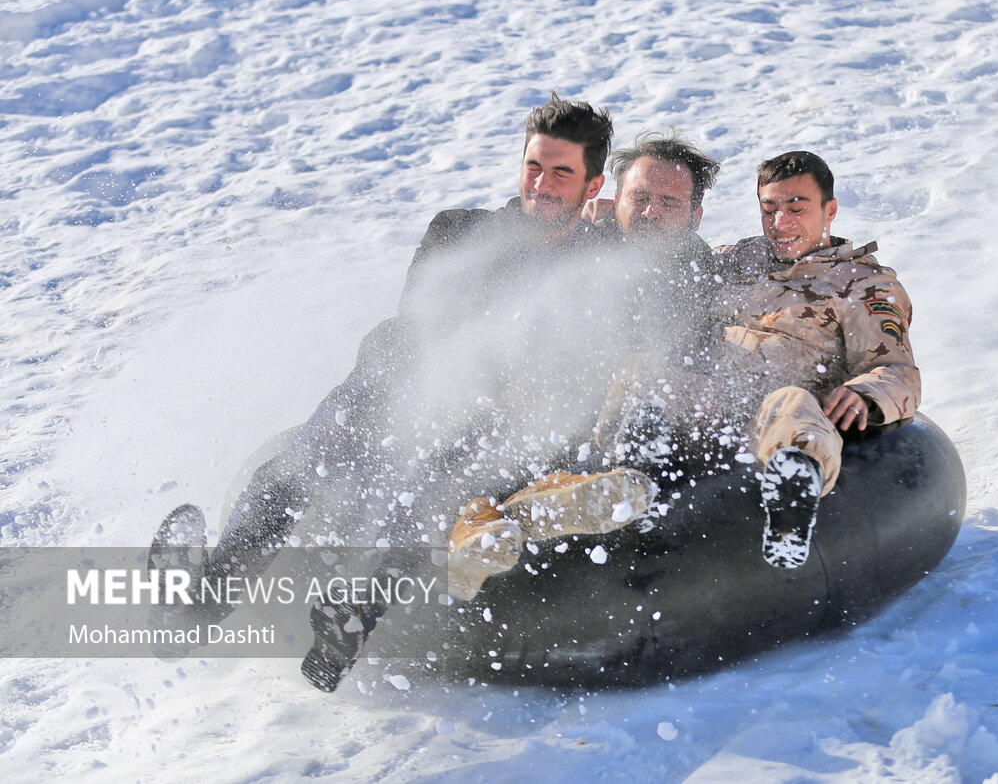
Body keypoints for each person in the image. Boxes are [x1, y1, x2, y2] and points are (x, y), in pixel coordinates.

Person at [147, 95, 616, 667]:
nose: (541, 184)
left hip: (500, 424)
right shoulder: (458, 232)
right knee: (317, 446)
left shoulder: (606, 267)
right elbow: (422, 331)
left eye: (562, 173)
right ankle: (197, 606)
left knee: (457, 460)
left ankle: (353, 619)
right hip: (404, 390)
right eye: (533, 166)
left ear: (592, 186)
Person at [584, 150, 920, 570]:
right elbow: (673, 248)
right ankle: (635, 480)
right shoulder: (742, 258)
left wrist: (865, 395)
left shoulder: (862, 283)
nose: (781, 223)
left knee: (792, 403)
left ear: (829, 210)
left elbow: (897, 370)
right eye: (770, 209)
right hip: (707, 402)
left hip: (770, 413)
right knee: (648, 369)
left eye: (797, 208)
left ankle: (791, 501)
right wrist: (609, 218)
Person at [443, 131, 723, 602]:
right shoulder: (578, 243)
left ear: (695, 217)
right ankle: (480, 533)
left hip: (616, 423)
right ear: (616, 200)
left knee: (650, 409)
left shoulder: (700, 276)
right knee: (508, 433)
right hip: (535, 405)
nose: (650, 212)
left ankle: (544, 507)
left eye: (669, 203)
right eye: (641, 197)